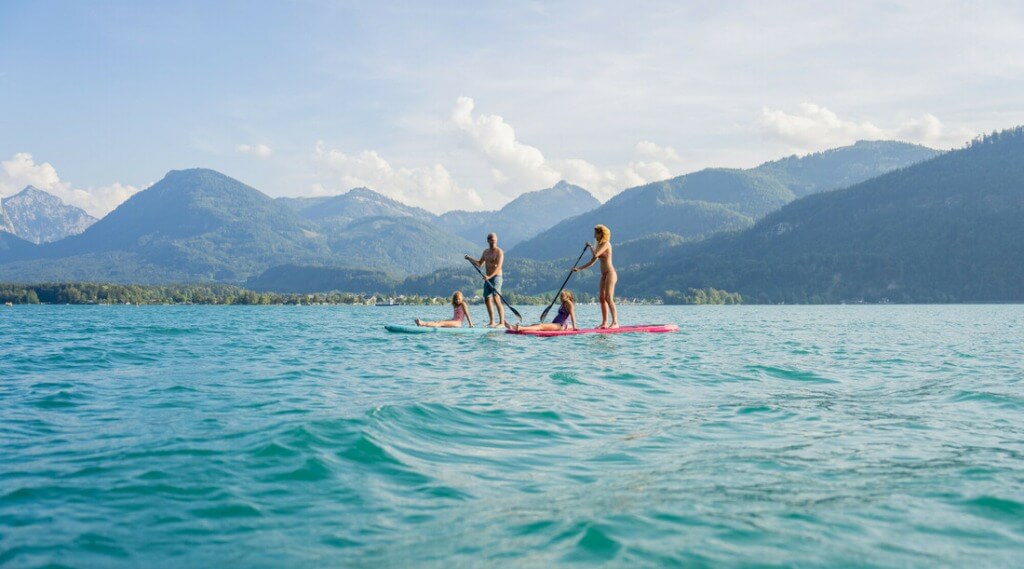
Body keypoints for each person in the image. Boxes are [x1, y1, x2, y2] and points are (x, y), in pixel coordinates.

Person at [574, 224, 618, 328]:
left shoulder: (607, 244)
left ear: (601, 234)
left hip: (610, 273)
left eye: (595, 234)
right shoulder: (598, 245)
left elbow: (595, 255)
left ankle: (615, 322)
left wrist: (590, 247)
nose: (594, 236)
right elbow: (592, 262)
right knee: (601, 298)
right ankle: (604, 322)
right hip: (603, 275)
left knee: (608, 298)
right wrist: (579, 268)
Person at [464, 232, 505, 327]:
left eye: (495, 240)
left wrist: (489, 277)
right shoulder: (486, 252)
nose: (493, 242)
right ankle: (492, 322)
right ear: (488, 241)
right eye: (492, 241)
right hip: (488, 278)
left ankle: (502, 322)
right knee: (487, 298)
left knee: (496, 297)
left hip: (496, 277)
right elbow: (479, 263)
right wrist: (469, 258)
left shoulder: (499, 252)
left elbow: (498, 267)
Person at [506, 290, 577, 332]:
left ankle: (519, 328)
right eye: (560, 295)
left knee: (540, 326)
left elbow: (572, 315)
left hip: (561, 325)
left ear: (567, 297)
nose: (560, 297)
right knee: (535, 325)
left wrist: (574, 327)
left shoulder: (568, 303)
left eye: (562, 296)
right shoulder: (564, 303)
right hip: (557, 324)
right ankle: (516, 327)